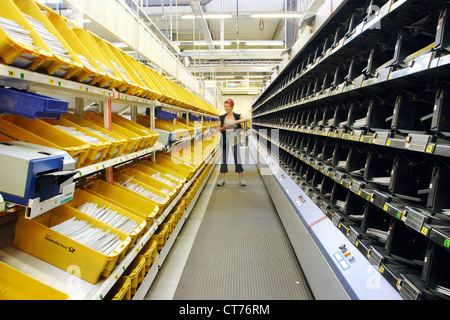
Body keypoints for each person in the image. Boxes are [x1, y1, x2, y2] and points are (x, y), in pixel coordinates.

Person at [216, 99, 250, 187]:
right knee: (224, 159)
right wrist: (225, 127)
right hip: (225, 140)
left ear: (232, 106)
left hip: (235, 140)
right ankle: (222, 179)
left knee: (237, 158)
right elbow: (218, 128)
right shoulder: (222, 117)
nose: (226, 108)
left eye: (227, 106)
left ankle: (241, 178)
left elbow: (247, 118)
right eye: (225, 107)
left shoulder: (237, 116)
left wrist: (236, 122)